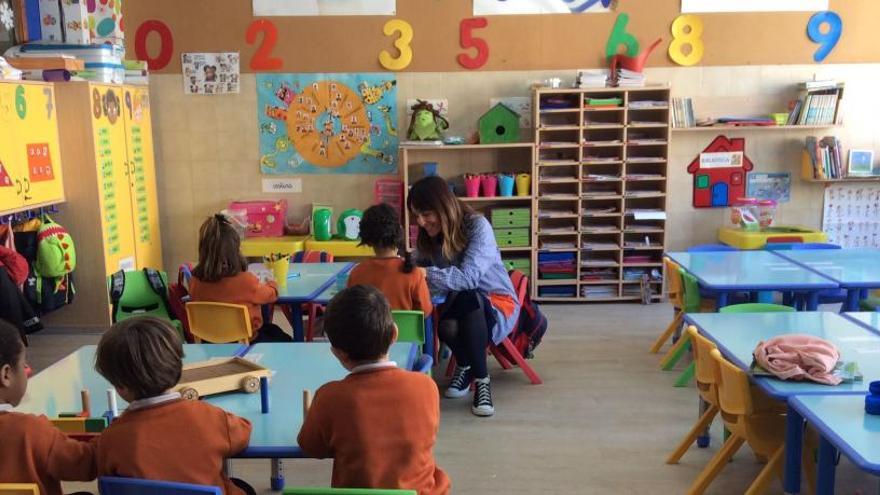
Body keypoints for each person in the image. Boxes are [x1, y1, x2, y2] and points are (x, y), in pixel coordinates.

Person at [298, 285, 450, 495]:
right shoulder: (426, 387)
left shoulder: (330, 397)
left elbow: (311, 447)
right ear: (394, 334)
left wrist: (311, 419)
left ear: (338, 353)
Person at [94, 316, 255, 495]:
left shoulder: (111, 439)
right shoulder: (211, 418)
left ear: (120, 387)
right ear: (178, 368)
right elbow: (244, 432)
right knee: (242, 487)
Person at [408, 176, 520, 417]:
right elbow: (416, 260)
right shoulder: (431, 235)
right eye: (416, 215)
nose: (421, 221)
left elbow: (469, 279)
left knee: (469, 298)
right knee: (446, 326)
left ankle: (482, 382)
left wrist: (425, 272)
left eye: (426, 214)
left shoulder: (477, 226)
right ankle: (466, 364)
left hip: (497, 302)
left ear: (443, 206)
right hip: (461, 305)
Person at [0, 319, 96, 495]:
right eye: (24, 364)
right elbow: (88, 465)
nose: (29, 368)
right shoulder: (30, 431)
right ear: (6, 374)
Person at [189, 214, 292, 342]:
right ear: (235, 252)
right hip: (245, 341)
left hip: (208, 341)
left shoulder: (194, 281)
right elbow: (270, 295)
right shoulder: (246, 281)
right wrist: (272, 283)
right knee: (278, 334)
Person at [347, 203, 433, 314]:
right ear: (399, 232)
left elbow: (351, 310)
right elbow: (425, 312)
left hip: (368, 331)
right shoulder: (414, 273)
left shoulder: (357, 273)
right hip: (404, 331)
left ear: (367, 239)